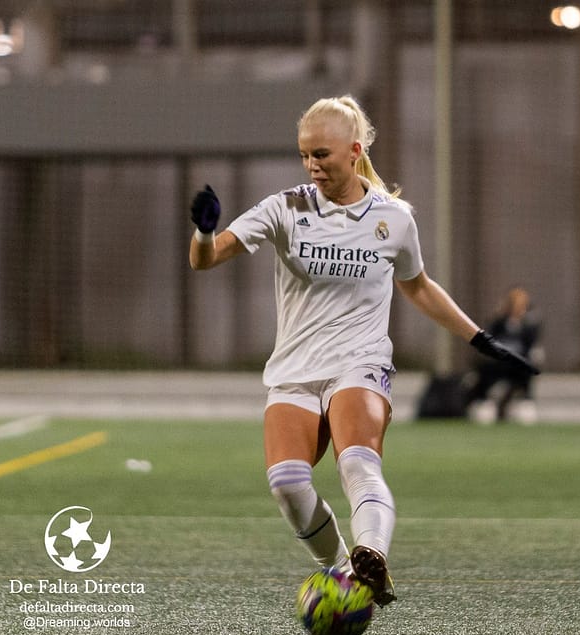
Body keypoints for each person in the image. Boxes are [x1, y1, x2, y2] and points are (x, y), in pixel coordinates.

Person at [187, 95, 538, 607]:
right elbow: (206, 261)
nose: (312, 166)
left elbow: (418, 287)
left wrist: (479, 338)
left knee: (358, 462)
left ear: (354, 151)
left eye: (322, 155)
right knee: (286, 483)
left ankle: (372, 550)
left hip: (360, 362)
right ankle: (345, 572)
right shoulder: (286, 207)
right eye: (305, 154)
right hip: (294, 371)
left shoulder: (393, 220)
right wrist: (203, 231)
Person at [467, 287, 543, 423]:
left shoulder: (528, 326)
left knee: (527, 369)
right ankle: (483, 402)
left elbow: (531, 347)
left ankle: (526, 402)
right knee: (485, 369)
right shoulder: (498, 323)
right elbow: (488, 341)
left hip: (518, 364)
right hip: (499, 363)